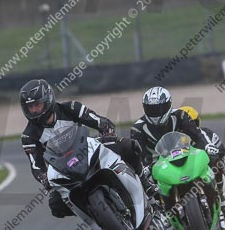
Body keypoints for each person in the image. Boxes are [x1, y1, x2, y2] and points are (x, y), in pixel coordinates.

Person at [19, 79, 160, 219]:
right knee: (56, 206)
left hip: (88, 151)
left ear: (48, 100)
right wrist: (44, 179)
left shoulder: (71, 108)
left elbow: (99, 121)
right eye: (30, 107)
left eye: (37, 105)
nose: (34, 110)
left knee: (129, 146)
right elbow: (36, 166)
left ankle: (144, 182)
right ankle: (95, 216)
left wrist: (106, 131)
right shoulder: (28, 136)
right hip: (64, 170)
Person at [130, 87, 225, 230]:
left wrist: (207, 147)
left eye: (160, 108)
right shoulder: (138, 128)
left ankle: (220, 193)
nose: (156, 113)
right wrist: (144, 167)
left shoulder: (180, 115)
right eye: (151, 109)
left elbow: (197, 136)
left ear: (168, 105)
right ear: (145, 109)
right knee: (144, 183)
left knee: (213, 159)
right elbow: (138, 154)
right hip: (158, 162)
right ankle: (159, 211)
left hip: (186, 152)